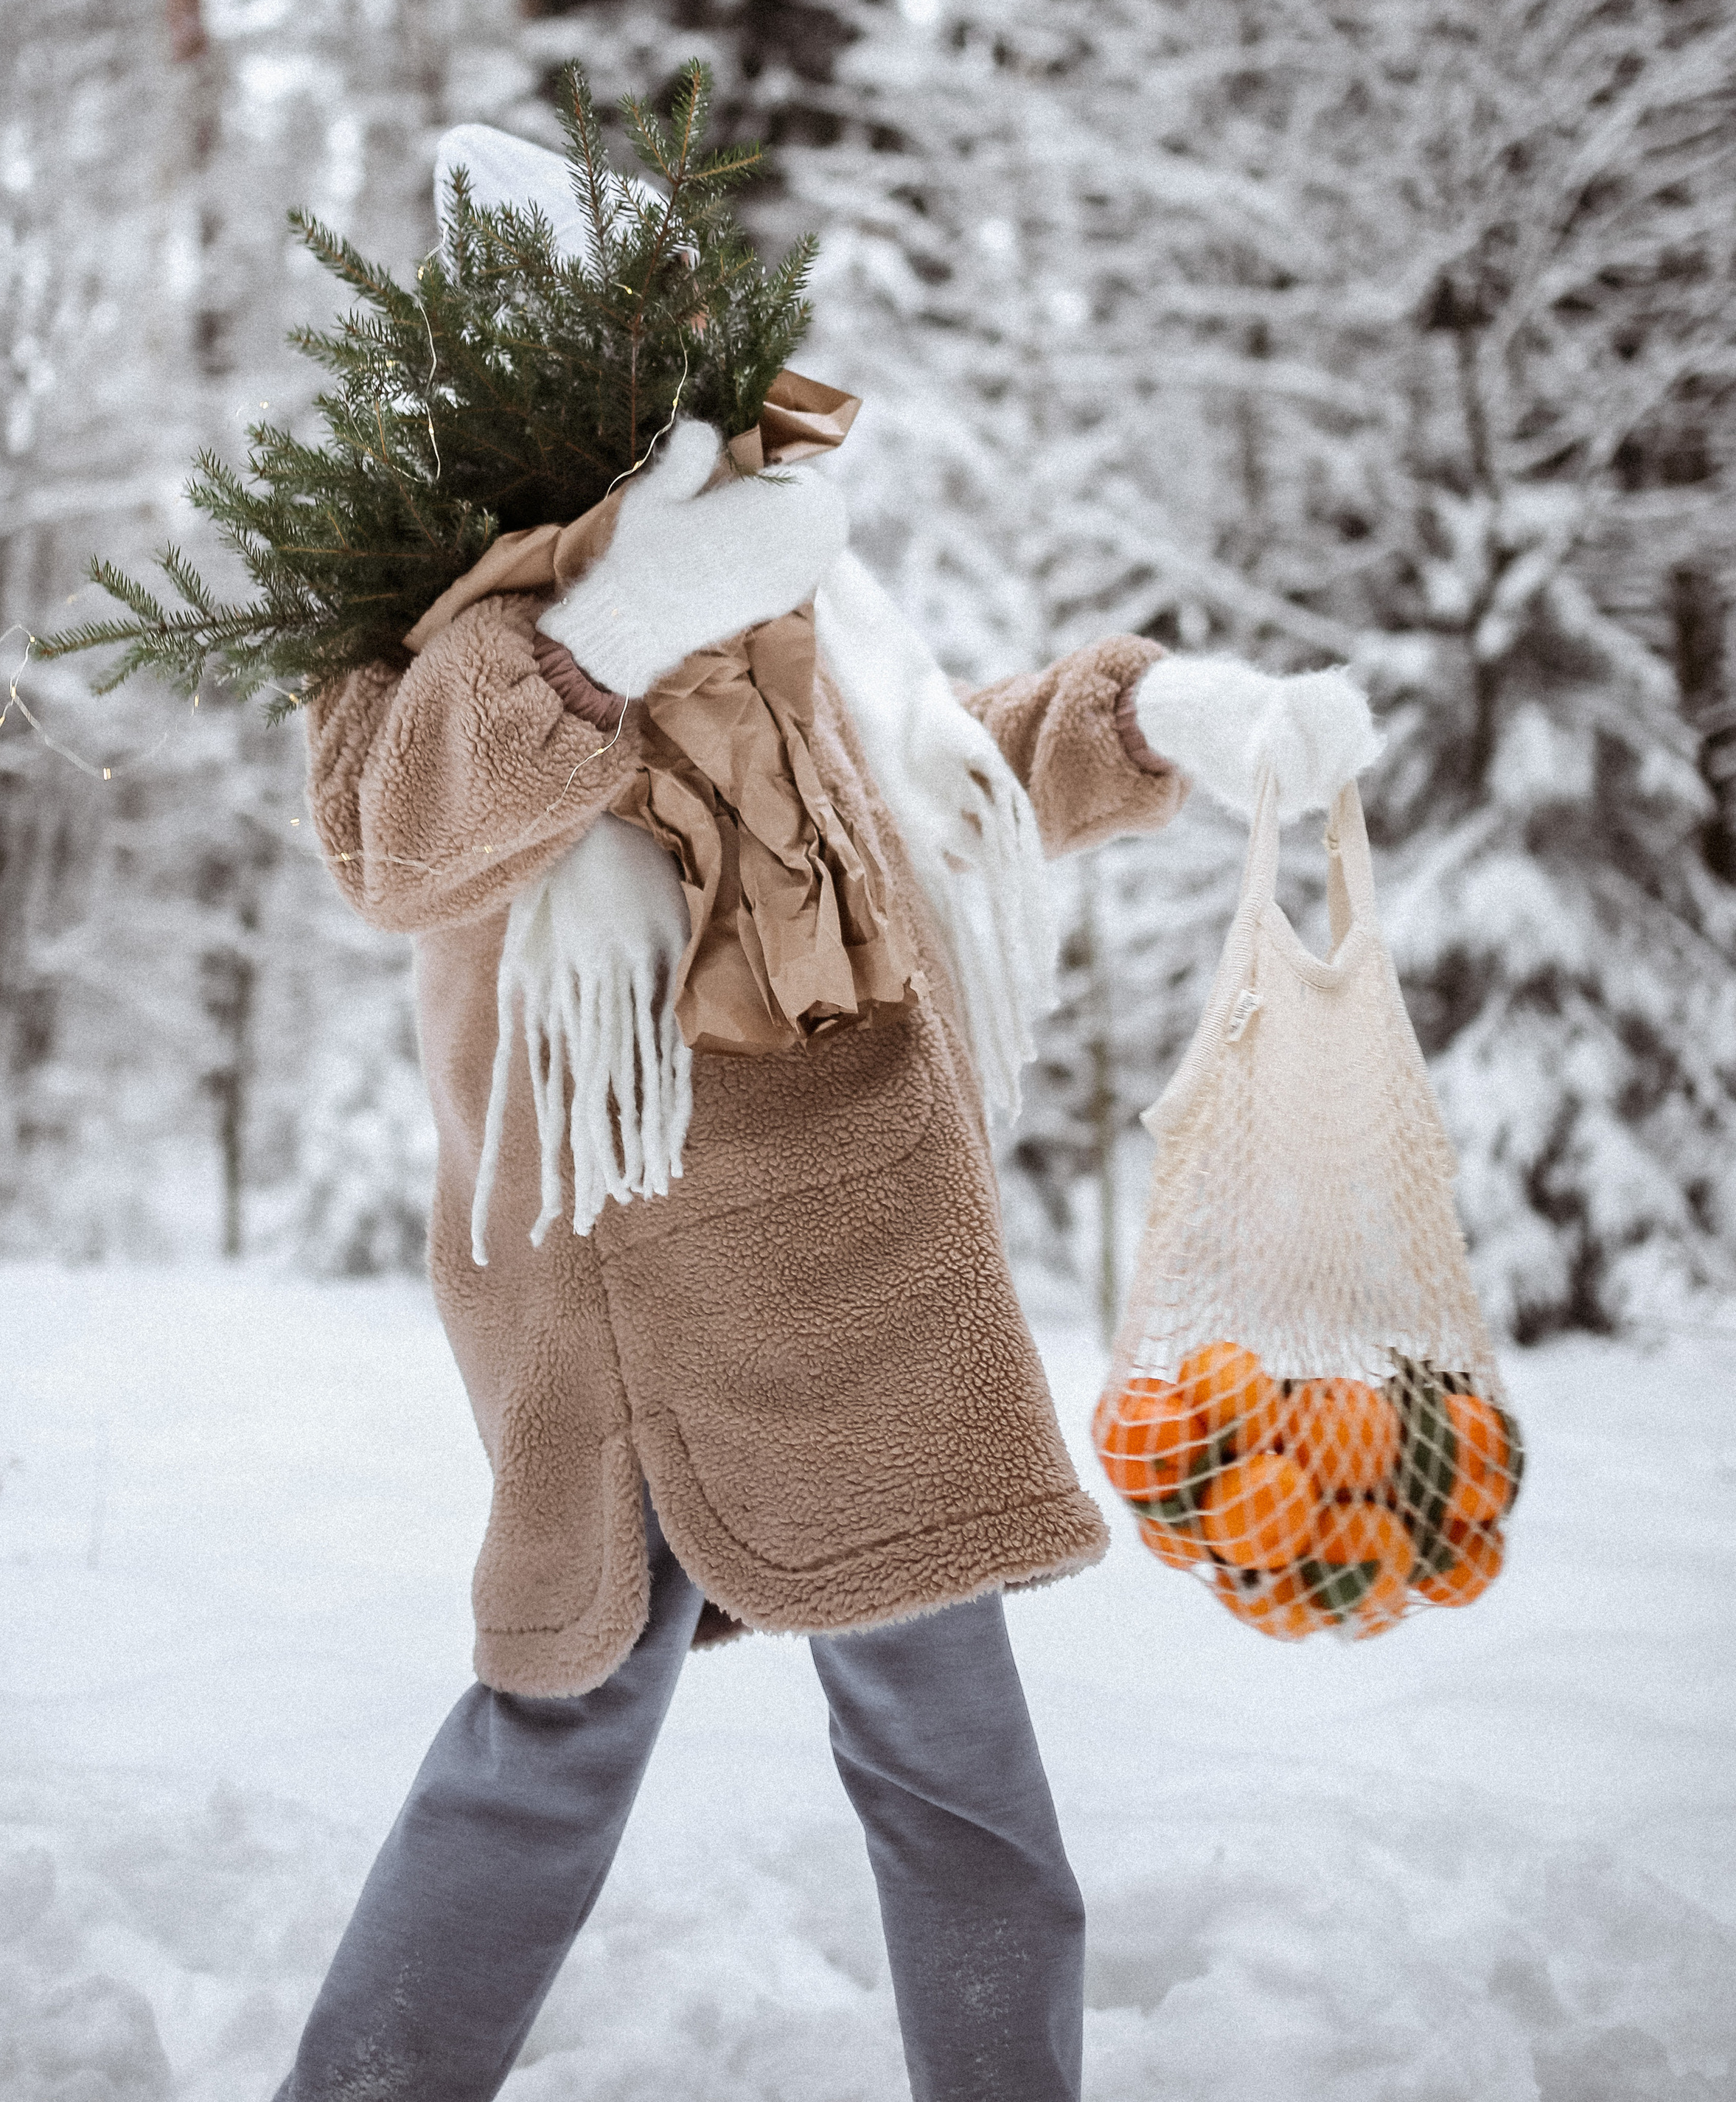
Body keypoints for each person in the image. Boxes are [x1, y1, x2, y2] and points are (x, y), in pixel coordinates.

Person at [276, 126, 1379, 2102]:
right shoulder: (438, 604)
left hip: (858, 1270)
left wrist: (1158, 724)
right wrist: (616, 629)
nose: (659, 386)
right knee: (553, 1744)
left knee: (960, 1781)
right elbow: (396, 836)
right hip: (630, 1317)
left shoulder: (785, 605)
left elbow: (916, 811)